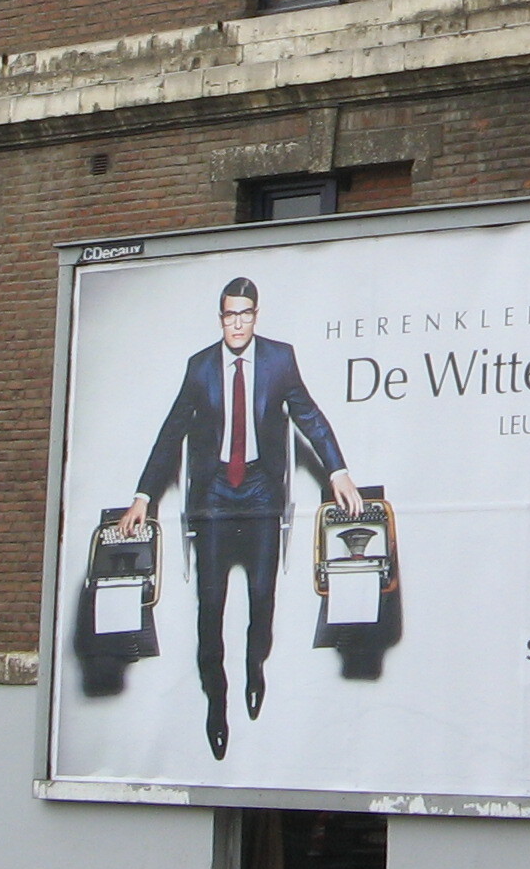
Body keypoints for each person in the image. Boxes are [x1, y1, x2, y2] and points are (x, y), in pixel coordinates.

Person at [120, 277, 359, 759]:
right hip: (214, 494)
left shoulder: (279, 359)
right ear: (220, 318)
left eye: (245, 314)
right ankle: (217, 698)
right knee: (210, 605)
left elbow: (309, 416)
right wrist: (143, 495)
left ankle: (254, 666)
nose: (237, 324)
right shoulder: (200, 367)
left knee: (261, 596)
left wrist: (339, 471)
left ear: (256, 316)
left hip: (260, 489)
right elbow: (171, 432)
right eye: (230, 315)